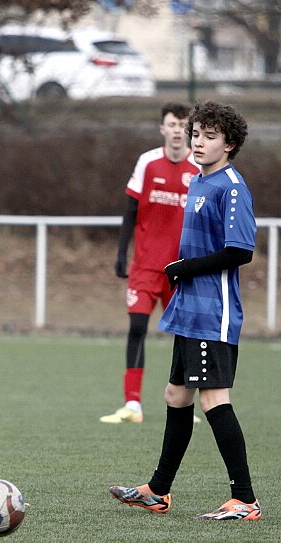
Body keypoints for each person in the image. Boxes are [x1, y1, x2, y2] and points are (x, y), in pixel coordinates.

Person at [109, 101, 261, 521]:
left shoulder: (231, 187)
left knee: (213, 399)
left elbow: (240, 251)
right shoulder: (198, 180)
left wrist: (185, 267)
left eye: (210, 136)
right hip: (189, 308)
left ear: (229, 145)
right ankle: (158, 491)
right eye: (196, 134)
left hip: (214, 310)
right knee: (176, 395)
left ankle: (245, 499)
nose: (198, 142)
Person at [100, 103, 200, 425]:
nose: (176, 130)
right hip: (145, 266)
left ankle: (184, 404)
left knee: (185, 335)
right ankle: (132, 404)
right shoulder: (147, 162)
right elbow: (130, 210)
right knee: (137, 328)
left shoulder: (199, 167)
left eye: (182, 125)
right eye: (171, 124)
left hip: (181, 270)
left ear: (188, 130)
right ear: (162, 129)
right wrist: (121, 253)